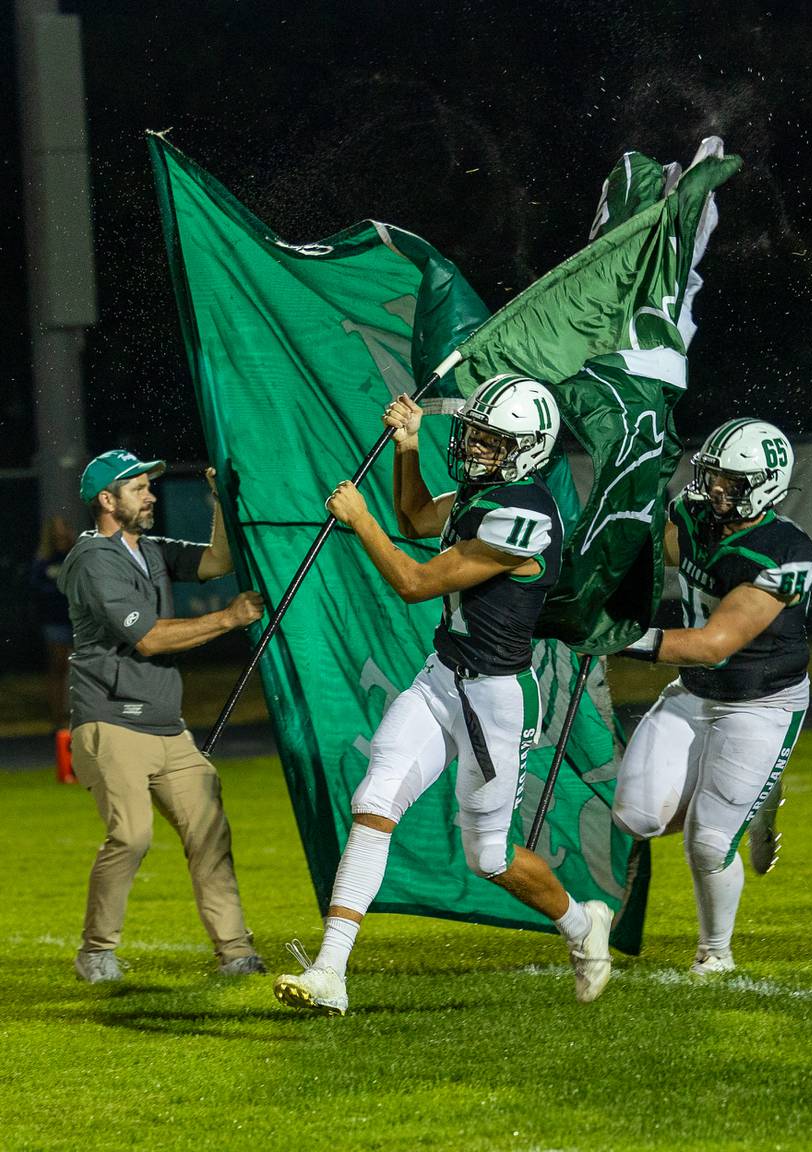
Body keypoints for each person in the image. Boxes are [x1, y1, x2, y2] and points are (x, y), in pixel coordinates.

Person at [273, 376, 613, 1016]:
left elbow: (413, 580)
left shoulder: (526, 517)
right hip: (441, 679)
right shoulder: (484, 495)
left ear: (529, 448)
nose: (478, 446)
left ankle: (581, 924)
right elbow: (416, 517)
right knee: (373, 801)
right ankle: (330, 970)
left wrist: (359, 518)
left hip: (496, 701)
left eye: (493, 439)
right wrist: (408, 444)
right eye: (476, 433)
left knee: (489, 857)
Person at [613, 418, 812, 976]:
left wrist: (616, 636)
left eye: (731, 480)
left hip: (760, 703)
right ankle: (747, 799)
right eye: (712, 475)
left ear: (767, 484)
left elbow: (712, 643)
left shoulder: (785, 552)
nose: (714, 489)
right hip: (693, 693)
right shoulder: (694, 513)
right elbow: (654, 554)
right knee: (636, 817)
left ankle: (715, 953)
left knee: (707, 842)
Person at [60, 450, 267, 983]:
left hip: (167, 727)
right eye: (138, 488)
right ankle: (96, 951)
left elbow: (216, 562)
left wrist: (221, 499)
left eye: (150, 486)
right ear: (106, 501)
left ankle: (236, 953)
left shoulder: (147, 548)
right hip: (110, 720)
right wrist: (228, 618)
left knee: (209, 832)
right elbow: (150, 638)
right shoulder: (93, 559)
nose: (151, 495)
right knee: (131, 836)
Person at [31, 515, 77, 782]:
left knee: (83, 668)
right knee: (58, 668)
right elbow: (36, 588)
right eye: (57, 534)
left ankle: (81, 715)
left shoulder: (75, 556)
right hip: (55, 623)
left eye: (65, 533)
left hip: (76, 620)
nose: (61, 538)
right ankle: (57, 719)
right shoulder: (43, 561)